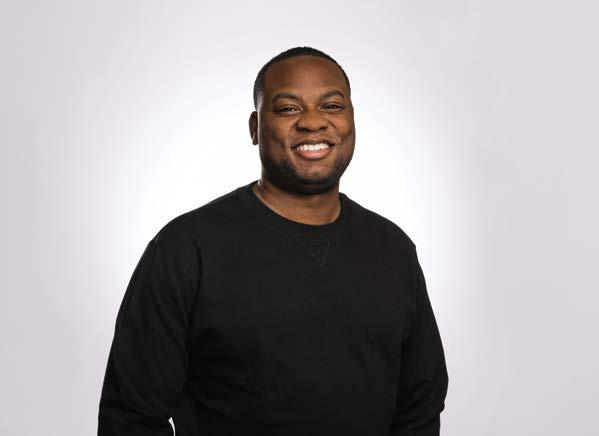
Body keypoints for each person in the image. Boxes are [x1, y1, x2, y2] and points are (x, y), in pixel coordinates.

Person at [97, 46, 449, 436]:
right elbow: (130, 419)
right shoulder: (187, 250)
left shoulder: (393, 251)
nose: (313, 122)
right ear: (255, 127)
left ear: (352, 119)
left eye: (332, 106)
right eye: (288, 109)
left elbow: (419, 411)